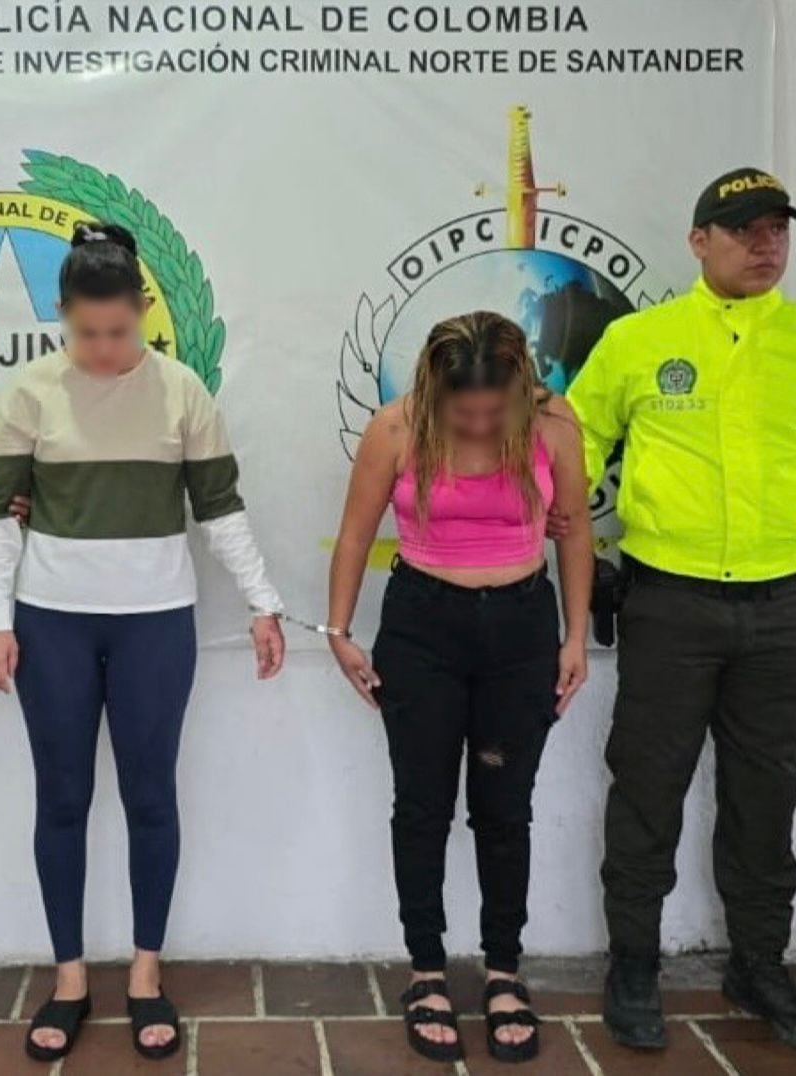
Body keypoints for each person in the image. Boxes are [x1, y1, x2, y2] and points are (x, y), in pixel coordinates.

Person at [563, 167, 796, 1054]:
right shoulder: (642, 340)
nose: (764, 243)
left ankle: (758, 964)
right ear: (698, 241)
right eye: (743, 228)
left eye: (776, 228)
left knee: (770, 788)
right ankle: (633, 962)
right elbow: (577, 439)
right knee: (647, 788)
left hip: (788, 606)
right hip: (669, 602)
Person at [0, 222, 286, 1064]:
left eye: (120, 331)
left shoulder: (183, 392)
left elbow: (220, 508)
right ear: (62, 318)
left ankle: (146, 973)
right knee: (62, 799)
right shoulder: (29, 394)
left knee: (151, 797)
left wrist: (264, 603)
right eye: (86, 332)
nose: (105, 349)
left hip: (155, 624)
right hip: (52, 622)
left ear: (144, 311)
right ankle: (70, 977)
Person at [326, 311, 593, 1064]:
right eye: (463, 410)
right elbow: (354, 533)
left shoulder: (554, 424)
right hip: (423, 625)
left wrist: (574, 637)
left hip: (520, 627)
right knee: (422, 805)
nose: (478, 422)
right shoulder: (397, 428)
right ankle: (427, 971)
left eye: (492, 408)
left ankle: (504, 971)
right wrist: (339, 631)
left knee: (505, 808)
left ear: (521, 387)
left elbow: (572, 531)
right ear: (434, 390)